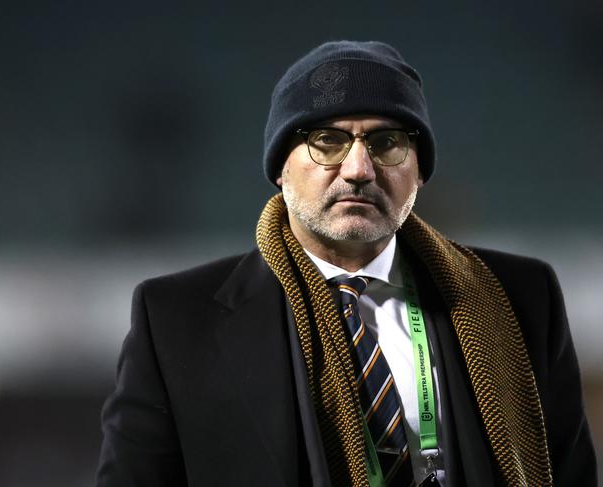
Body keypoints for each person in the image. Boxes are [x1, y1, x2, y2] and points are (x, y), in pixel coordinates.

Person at [96, 41, 597, 486]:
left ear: (419, 170)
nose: (358, 169)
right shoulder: (176, 321)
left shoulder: (521, 295)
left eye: (387, 143)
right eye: (327, 141)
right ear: (280, 166)